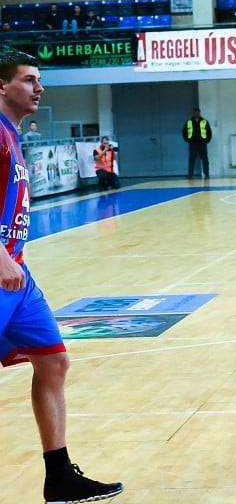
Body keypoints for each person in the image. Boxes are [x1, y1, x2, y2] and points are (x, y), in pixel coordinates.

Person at [0, 50, 123, 503]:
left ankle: (59, 477)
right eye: (29, 79)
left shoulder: (12, 135)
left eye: (39, 80)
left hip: (17, 275)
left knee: (53, 361)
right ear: (1, 86)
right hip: (1, 268)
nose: (39, 88)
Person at [182, 107, 212, 178]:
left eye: (198, 112)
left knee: (205, 159)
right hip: (192, 144)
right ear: (193, 113)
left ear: (199, 113)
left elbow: (209, 132)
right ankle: (190, 175)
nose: (196, 114)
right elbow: (184, 132)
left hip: (202, 143)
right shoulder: (189, 122)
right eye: (195, 112)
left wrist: (207, 140)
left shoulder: (204, 121)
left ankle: (206, 174)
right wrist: (187, 139)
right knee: (191, 159)